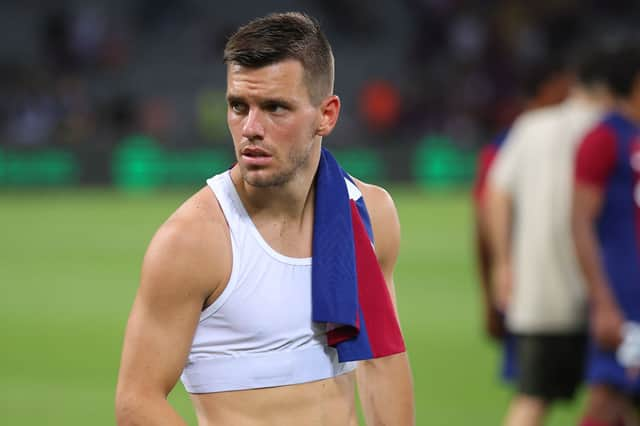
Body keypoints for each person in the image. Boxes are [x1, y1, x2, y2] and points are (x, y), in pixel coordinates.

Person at [115, 12, 414, 426]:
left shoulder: (368, 214)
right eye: (239, 106)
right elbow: (136, 402)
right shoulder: (194, 240)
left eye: (275, 107)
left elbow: (381, 360)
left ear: (326, 115)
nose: (250, 128)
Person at [486, 46, 614, 426]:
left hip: (542, 293)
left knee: (533, 398)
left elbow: (496, 194)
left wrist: (502, 263)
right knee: (612, 400)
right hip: (609, 292)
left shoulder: (533, 126)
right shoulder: (617, 130)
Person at [572, 42, 640, 426]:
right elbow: (580, 220)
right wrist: (603, 302)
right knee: (609, 398)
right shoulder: (603, 139)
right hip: (623, 297)